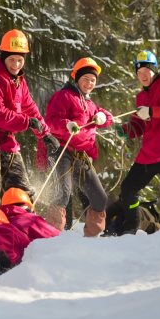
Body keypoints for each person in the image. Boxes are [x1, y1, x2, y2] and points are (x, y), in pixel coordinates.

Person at [0, 29, 60, 207]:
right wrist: (25, 122)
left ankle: (21, 228)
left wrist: (45, 134)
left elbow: (30, 108)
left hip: (7, 143)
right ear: (3, 57)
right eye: (12, 60)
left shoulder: (19, 81)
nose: (16, 64)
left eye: (20, 60)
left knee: (22, 193)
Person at [114, 50, 160, 233]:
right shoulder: (141, 96)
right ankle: (131, 227)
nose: (143, 75)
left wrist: (153, 111)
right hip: (149, 153)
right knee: (128, 188)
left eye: (146, 70)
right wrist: (126, 131)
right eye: (139, 72)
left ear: (154, 69)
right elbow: (140, 123)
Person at [39, 58, 114, 235]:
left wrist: (103, 116)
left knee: (99, 198)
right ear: (77, 78)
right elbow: (50, 121)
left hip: (81, 155)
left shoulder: (90, 104)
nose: (89, 83)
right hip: (62, 151)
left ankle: (92, 237)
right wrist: (66, 125)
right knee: (63, 194)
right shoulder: (64, 96)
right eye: (86, 79)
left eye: (93, 80)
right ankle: (52, 236)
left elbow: (108, 118)